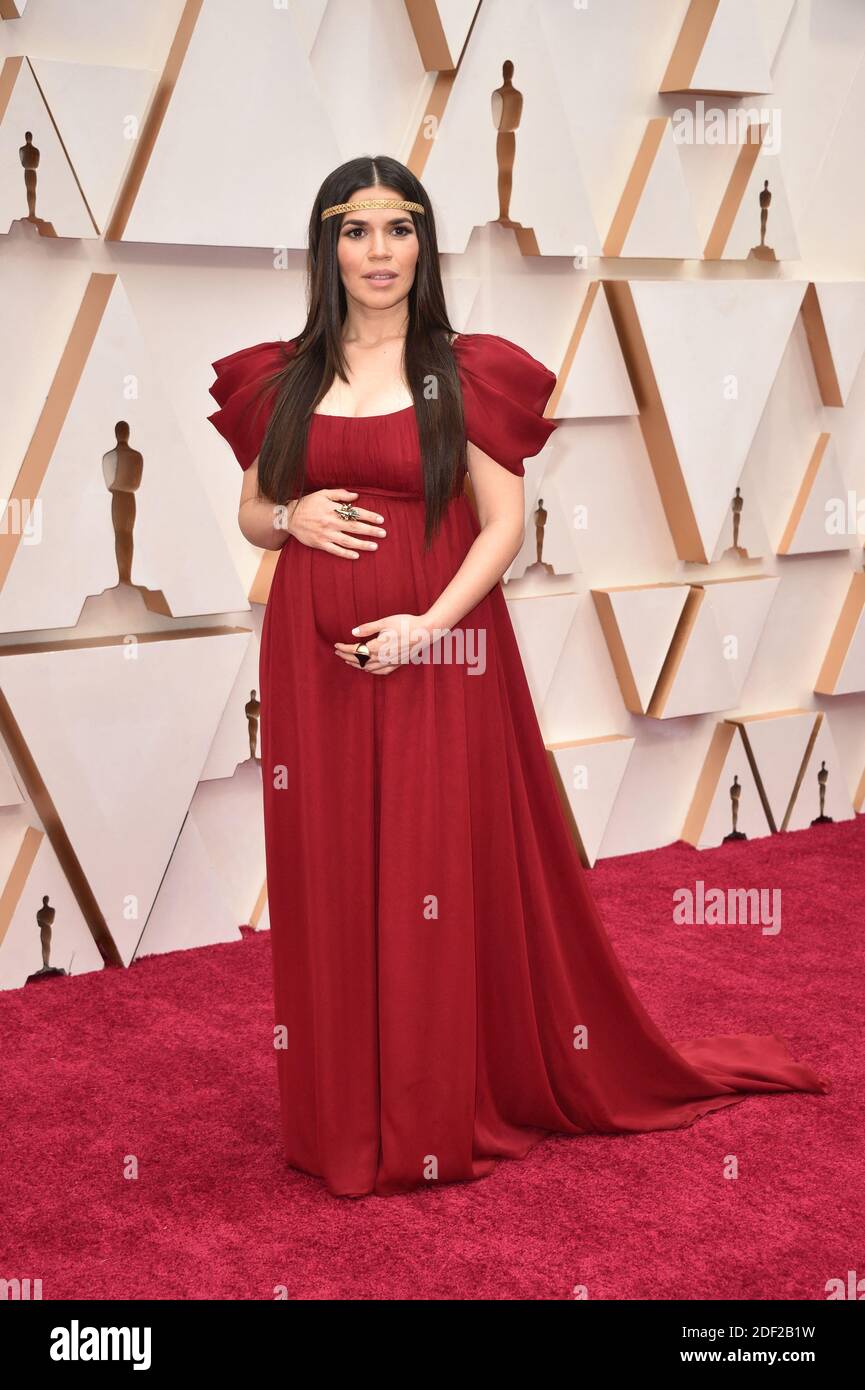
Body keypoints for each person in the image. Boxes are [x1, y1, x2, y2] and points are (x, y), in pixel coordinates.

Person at [207, 156, 829, 1199]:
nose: (378, 253)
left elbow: (499, 528)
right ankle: (338, 1117)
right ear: (325, 245)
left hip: (441, 653)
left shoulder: (464, 370)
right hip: (312, 664)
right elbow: (253, 510)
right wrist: (290, 518)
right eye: (355, 232)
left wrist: (425, 625)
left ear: (423, 244)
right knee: (329, 867)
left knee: (425, 872)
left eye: (398, 230)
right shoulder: (287, 377)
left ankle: (426, 1111)